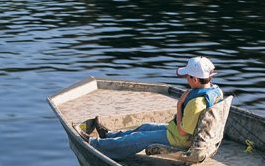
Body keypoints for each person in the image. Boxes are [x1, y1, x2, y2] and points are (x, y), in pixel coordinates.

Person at [78, 56, 223, 160]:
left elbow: (182, 132)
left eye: (187, 76)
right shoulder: (215, 91)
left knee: (138, 138)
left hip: (180, 139)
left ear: (195, 79)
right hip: (179, 132)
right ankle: (109, 136)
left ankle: (97, 145)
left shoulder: (196, 103)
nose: (186, 79)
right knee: (145, 127)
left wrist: (179, 105)